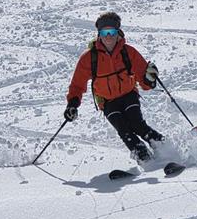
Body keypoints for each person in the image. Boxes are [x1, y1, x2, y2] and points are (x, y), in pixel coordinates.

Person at [62, 12, 164, 161]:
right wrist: (72, 104)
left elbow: (144, 78)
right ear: (99, 34)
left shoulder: (128, 52)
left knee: (137, 125)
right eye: (104, 32)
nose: (108, 36)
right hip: (107, 102)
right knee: (124, 130)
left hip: (129, 95)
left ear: (118, 33)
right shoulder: (90, 58)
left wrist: (150, 80)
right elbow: (77, 84)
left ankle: (165, 147)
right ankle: (144, 158)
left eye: (112, 32)